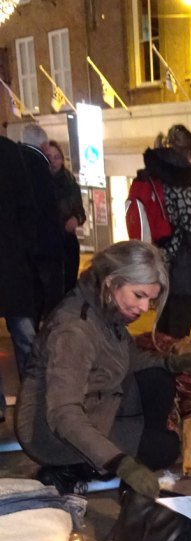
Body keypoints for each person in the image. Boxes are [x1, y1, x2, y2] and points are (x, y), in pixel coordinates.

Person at [15, 241, 191, 496]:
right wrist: (120, 463)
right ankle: (71, 469)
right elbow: (63, 413)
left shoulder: (106, 309)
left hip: (97, 403)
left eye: (150, 299)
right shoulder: (74, 330)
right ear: (113, 282)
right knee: (165, 448)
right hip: (51, 434)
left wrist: (169, 363)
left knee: (159, 380)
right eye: (139, 295)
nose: (144, 308)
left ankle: (129, 447)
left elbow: (128, 358)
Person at [128, 124, 191, 340]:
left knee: (163, 333)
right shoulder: (180, 177)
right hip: (184, 272)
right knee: (177, 338)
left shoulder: (155, 174)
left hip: (162, 267)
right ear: (188, 150)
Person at [0, 132, 37, 424]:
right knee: (25, 335)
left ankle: (34, 401)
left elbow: (27, 209)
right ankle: (33, 403)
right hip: (12, 258)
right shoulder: (10, 153)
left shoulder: (9, 153)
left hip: (11, 258)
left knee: (26, 335)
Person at [19, 123, 64, 326]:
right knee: (49, 299)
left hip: (26, 249)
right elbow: (48, 212)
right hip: (45, 248)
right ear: (44, 146)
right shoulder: (40, 169)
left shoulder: (16, 165)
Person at [44, 139, 86, 294]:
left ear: (62, 159)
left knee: (69, 284)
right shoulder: (40, 183)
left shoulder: (70, 183)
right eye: (49, 157)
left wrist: (76, 219)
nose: (53, 161)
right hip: (48, 243)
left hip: (67, 241)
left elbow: (81, 212)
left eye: (57, 157)